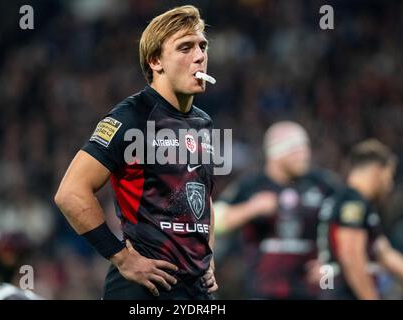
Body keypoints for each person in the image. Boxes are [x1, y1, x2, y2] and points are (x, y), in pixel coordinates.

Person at [55, 5, 218, 300]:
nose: (200, 56)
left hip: (196, 289)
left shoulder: (203, 122)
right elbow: (70, 192)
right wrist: (121, 257)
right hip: (145, 288)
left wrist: (208, 256)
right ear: (156, 61)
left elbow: (202, 199)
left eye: (202, 46)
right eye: (185, 48)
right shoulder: (131, 117)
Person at [214, 121, 339, 299]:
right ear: (276, 153)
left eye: (305, 148)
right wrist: (251, 208)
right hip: (262, 290)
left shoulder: (323, 184)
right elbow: (214, 220)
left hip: (312, 290)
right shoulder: (251, 185)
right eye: (296, 149)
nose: (305, 155)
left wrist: (332, 265)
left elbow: (352, 228)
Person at [317, 139, 403, 299]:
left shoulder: (344, 200)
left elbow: (384, 253)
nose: (389, 183)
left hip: (332, 289)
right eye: (389, 174)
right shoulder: (352, 203)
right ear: (377, 170)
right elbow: (351, 256)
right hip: (343, 293)